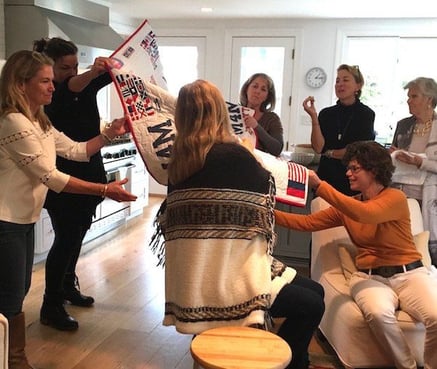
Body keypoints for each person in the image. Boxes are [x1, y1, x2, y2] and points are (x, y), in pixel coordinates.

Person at [150, 79, 324, 369]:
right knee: (313, 302)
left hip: (195, 278)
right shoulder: (234, 155)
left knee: (312, 293)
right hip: (230, 282)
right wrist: (244, 146)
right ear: (220, 113)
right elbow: (267, 188)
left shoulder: (180, 161)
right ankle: (293, 364)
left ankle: (291, 360)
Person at [0, 50, 137, 369]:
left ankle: (10, 357)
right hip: (5, 221)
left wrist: (107, 134)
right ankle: (14, 360)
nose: (52, 87)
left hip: (22, 219)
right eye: (45, 81)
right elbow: (51, 177)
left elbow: (75, 151)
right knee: (9, 296)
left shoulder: (38, 119)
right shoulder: (12, 121)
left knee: (17, 291)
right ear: (22, 85)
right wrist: (105, 190)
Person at [275, 140, 437, 369]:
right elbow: (306, 223)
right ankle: (407, 366)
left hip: (411, 274)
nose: (348, 174)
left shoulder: (395, 198)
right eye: (348, 169)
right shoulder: (349, 207)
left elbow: (365, 214)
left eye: (355, 169)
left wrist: (320, 185)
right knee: (379, 314)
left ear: (374, 170)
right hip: (370, 278)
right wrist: (267, 210)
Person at [33, 37, 114, 331]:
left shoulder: (82, 83)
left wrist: (113, 63)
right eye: (64, 67)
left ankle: (67, 285)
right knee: (66, 238)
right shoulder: (53, 95)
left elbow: (111, 73)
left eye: (75, 66)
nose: (70, 72)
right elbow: (72, 86)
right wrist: (92, 72)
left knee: (78, 233)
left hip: (90, 168)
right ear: (48, 69)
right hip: (63, 178)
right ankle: (50, 306)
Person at [303, 64, 375, 195]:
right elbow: (318, 148)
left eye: (345, 80)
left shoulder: (366, 114)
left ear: (358, 86)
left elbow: (359, 150)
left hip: (353, 179)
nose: (340, 84)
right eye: (337, 81)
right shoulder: (326, 113)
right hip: (327, 177)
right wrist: (314, 117)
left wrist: (330, 153)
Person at [390, 77, 437, 266]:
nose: (408, 100)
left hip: (430, 196)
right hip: (401, 193)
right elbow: (393, 153)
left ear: (429, 99)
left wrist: (418, 162)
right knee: (402, 242)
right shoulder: (403, 125)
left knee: (425, 243)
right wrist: (394, 155)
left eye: (414, 96)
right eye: (408, 96)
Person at [239, 72, 284, 156]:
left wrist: (256, 126)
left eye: (263, 89)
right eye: (255, 86)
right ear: (246, 89)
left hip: (259, 164)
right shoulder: (234, 111)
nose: (257, 91)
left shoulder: (272, 118)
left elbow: (277, 149)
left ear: (267, 96)